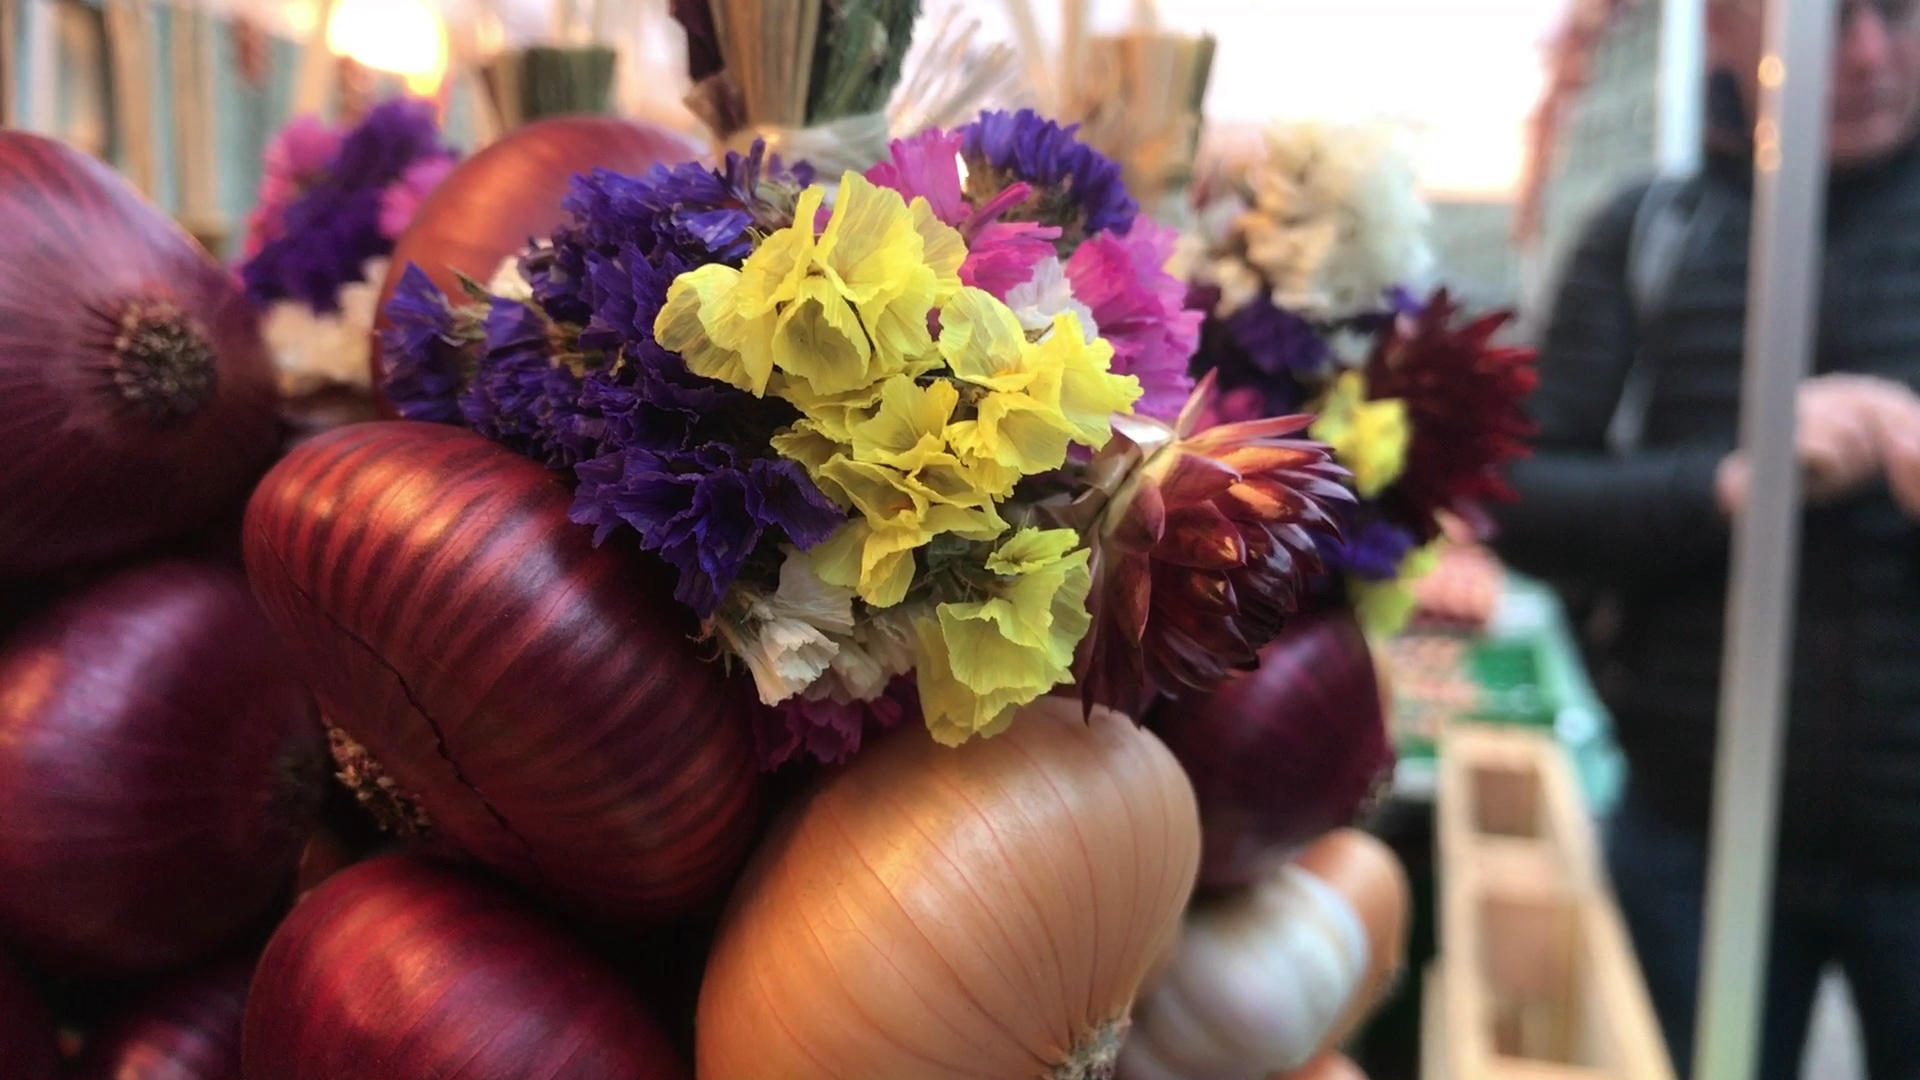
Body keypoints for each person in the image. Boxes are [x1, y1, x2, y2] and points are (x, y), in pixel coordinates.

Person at [1495, 1, 1920, 1077]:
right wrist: (1730, 482)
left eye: (1898, 13)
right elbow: (1519, 501)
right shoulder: (1648, 233)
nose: (1865, 54)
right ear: (1729, 29)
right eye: (1825, 17)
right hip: (1694, 829)